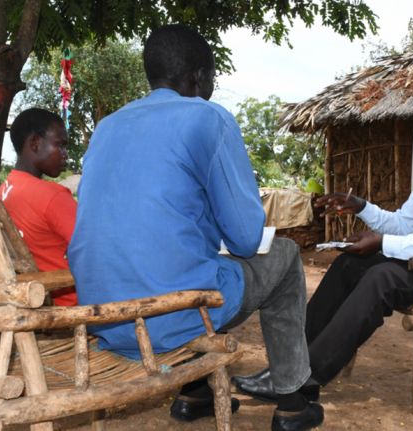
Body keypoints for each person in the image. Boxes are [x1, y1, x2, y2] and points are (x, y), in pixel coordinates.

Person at [68, 24, 323, 431]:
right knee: (285, 257)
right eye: (212, 78)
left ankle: (194, 393)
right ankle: (292, 400)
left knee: (185, 260)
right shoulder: (208, 118)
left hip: (105, 316)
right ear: (198, 77)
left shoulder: (107, 127)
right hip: (170, 317)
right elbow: (244, 236)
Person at [233, 97, 413, 401]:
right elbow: (403, 224)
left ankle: (306, 379)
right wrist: (360, 207)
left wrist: (383, 244)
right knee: (350, 265)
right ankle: (287, 367)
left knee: (384, 276)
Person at [0, 108, 77, 306]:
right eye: (60, 145)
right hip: (70, 304)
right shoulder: (51, 196)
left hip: (28, 300)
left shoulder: (2, 192)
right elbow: (97, 249)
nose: (65, 154)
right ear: (34, 143)